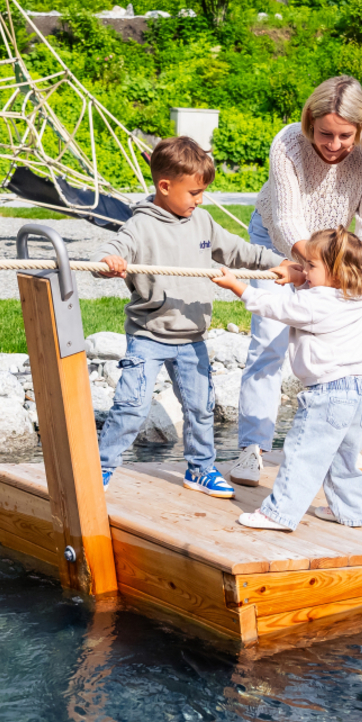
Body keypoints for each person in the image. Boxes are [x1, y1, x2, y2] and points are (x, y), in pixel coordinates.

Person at [96, 135, 287, 497]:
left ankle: (199, 469)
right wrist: (109, 261)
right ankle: (100, 470)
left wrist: (280, 263)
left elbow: (240, 251)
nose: (200, 200)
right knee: (131, 407)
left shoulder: (203, 222)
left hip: (192, 338)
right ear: (165, 187)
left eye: (202, 193)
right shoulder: (140, 226)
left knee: (201, 409)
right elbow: (110, 250)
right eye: (194, 192)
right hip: (148, 335)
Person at [231, 75, 362, 487]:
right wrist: (309, 264)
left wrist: (351, 264)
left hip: (334, 254)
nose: (334, 145)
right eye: (324, 134)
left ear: (361, 128)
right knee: (270, 339)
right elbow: (287, 219)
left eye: (345, 136)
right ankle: (252, 447)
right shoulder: (287, 143)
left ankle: (340, 443)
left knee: (340, 342)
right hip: (278, 241)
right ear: (309, 123)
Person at [214, 229, 362, 532]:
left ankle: (279, 514)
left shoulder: (315, 304)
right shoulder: (357, 297)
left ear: (336, 273)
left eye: (311, 266)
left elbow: (277, 307)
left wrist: (238, 287)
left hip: (327, 393)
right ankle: (349, 510)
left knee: (303, 454)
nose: (305, 270)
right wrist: (302, 280)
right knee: (344, 457)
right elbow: (318, 296)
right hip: (357, 391)